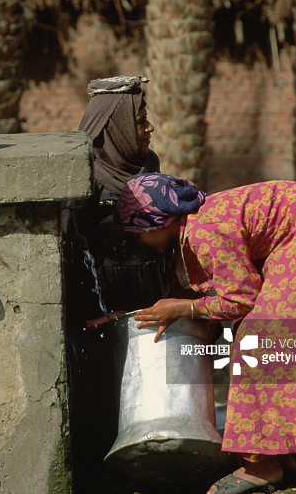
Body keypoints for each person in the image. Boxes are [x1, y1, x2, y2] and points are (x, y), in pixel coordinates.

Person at [117, 173, 296, 494]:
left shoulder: (203, 232)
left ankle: (262, 465)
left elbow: (241, 297)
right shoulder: (198, 223)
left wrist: (182, 309)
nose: (138, 243)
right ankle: (284, 453)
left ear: (155, 223)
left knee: (260, 340)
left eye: (137, 235)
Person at [61, 75, 169, 485]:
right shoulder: (81, 176)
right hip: (101, 312)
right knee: (105, 405)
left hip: (145, 295)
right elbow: (70, 250)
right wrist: (86, 314)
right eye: (141, 121)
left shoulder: (149, 165)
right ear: (117, 127)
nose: (149, 128)